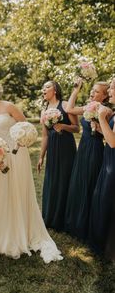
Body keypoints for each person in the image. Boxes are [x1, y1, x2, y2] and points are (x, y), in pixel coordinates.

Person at [0, 79, 63, 262]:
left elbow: (27, 128)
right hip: (0, 156)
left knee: (17, 189)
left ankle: (23, 227)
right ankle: (5, 228)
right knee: (3, 192)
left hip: (17, 154)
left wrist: (18, 144)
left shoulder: (9, 106)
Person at [64, 79, 110, 240]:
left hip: (95, 149)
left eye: (97, 91)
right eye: (92, 90)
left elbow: (109, 136)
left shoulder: (106, 111)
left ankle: (85, 225)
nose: (92, 92)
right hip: (83, 148)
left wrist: (98, 127)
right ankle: (73, 222)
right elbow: (69, 108)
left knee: (89, 183)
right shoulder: (88, 106)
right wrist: (76, 90)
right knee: (78, 180)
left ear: (104, 97)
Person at [37, 81, 79, 231]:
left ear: (55, 90)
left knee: (65, 179)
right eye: (43, 87)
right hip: (53, 149)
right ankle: (50, 217)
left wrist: (63, 126)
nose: (44, 89)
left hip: (66, 147)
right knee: (52, 181)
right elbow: (45, 136)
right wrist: (42, 156)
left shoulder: (66, 104)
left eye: (47, 86)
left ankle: (64, 220)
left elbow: (76, 128)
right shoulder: (44, 110)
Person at [88, 78, 115, 261]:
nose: (110, 91)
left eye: (112, 88)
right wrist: (99, 128)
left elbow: (113, 143)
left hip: (113, 163)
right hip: (109, 160)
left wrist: (101, 118)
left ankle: (107, 245)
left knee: (107, 199)